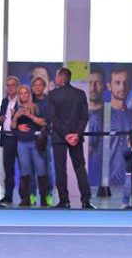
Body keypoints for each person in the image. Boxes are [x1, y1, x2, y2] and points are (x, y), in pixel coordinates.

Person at [48, 68, 94, 209]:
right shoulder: (80, 94)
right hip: (75, 137)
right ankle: (85, 201)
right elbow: (84, 117)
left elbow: (53, 118)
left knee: (60, 169)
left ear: (61, 79)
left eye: (57, 77)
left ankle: (64, 201)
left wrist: (66, 134)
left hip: (59, 137)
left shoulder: (53, 95)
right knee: (80, 168)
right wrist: (76, 134)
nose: (56, 79)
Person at [13, 85, 49, 207]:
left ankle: (44, 199)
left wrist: (31, 116)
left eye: (26, 93)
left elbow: (44, 122)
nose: (24, 95)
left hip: (35, 142)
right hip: (22, 143)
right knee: (24, 171)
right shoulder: (16, 108)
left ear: (29, 94)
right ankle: (25, 199)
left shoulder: (36, 107)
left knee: (41, 170)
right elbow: (12, 127)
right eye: (21, 93)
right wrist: (17, 120)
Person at [108, 67, 132, 186]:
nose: (122, 87)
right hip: (109, 178)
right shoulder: (104, 115)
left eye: (125, 83)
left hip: (128, 176)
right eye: (117, 83)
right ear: (109, 86)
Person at [0, 76, 20, 204]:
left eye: (12, 85)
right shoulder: (4, 101)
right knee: (8, 169)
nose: (10, 88)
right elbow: (0, 119)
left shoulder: (21, 100)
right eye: (8, 85)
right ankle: (8, 196)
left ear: (17, 86)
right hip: (7, 138)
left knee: (24, 168)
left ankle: (25, 197)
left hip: (19, 138)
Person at [31, 76, 55, 206]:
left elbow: (50, 119)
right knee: (31, 168)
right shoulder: (29, 100)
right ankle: (32, 194)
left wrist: (44, 125)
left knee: (46, 167)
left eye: (40, 85)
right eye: (35, 85)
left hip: (46, 137)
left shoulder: (49, 101)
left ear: (44, 86)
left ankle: (48, 194)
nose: (37, 87)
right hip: (30, 137)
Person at [86, 68, 105, 186]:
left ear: (104, 85)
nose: (93, 88)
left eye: (97, 83)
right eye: (90, 83)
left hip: (103, 171)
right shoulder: (78, 111)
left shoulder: (110, 113)